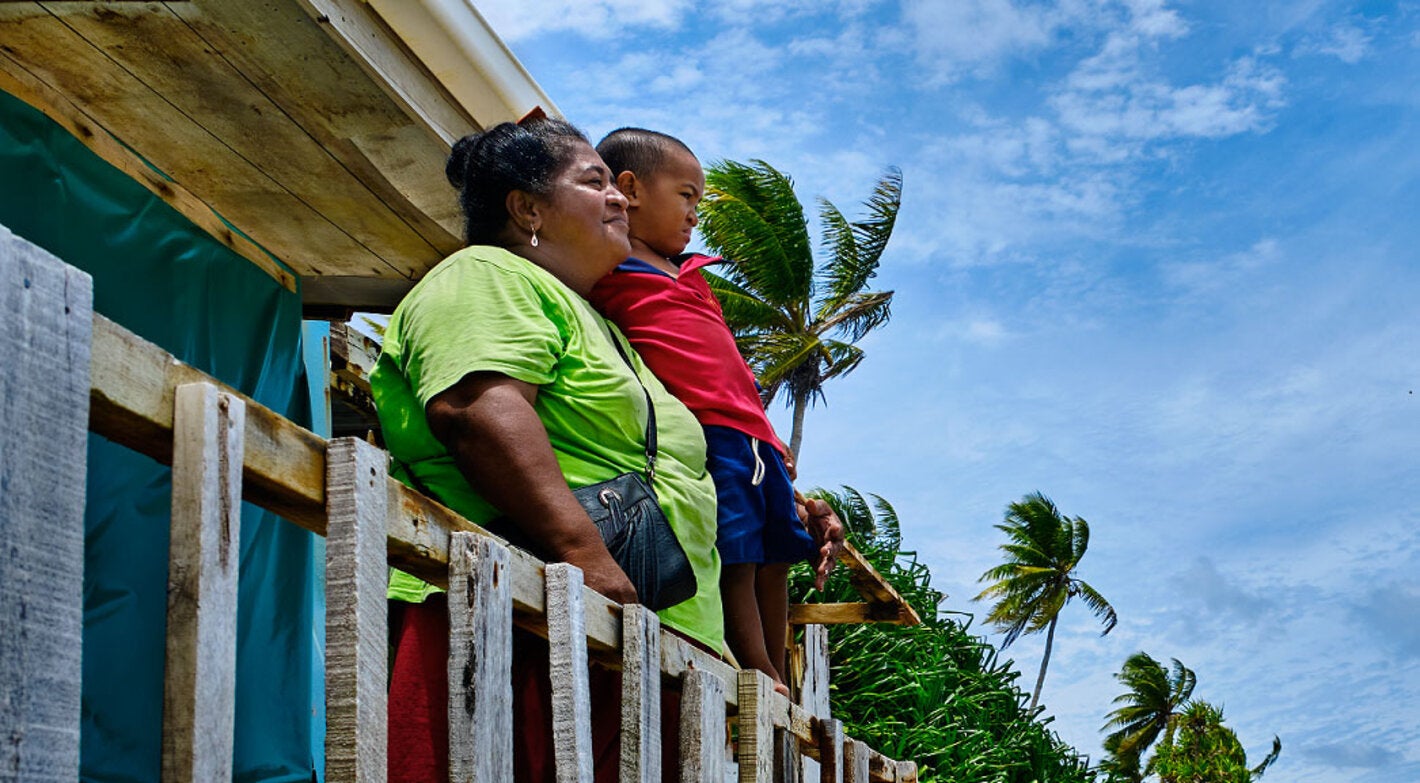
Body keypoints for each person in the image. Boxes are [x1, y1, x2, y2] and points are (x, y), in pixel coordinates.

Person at [370, 118, 723, 782]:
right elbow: (481, 409)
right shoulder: (486, 273)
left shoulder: (597, 320)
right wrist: (585, 556)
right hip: (527, 621)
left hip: (628, 637)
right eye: (593, 181)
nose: (618, 195)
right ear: (527, 209)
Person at [588, 128, 844, 696]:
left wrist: (771, 434)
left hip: (750, 429)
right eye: (686, 196)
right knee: (739, 550)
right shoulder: (608, 264)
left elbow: (731, 364)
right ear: (628, 189)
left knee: (778, 547)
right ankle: (755, 666)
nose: (695, 215)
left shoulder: (693, 272)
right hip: (705, 428)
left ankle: (773, 664)